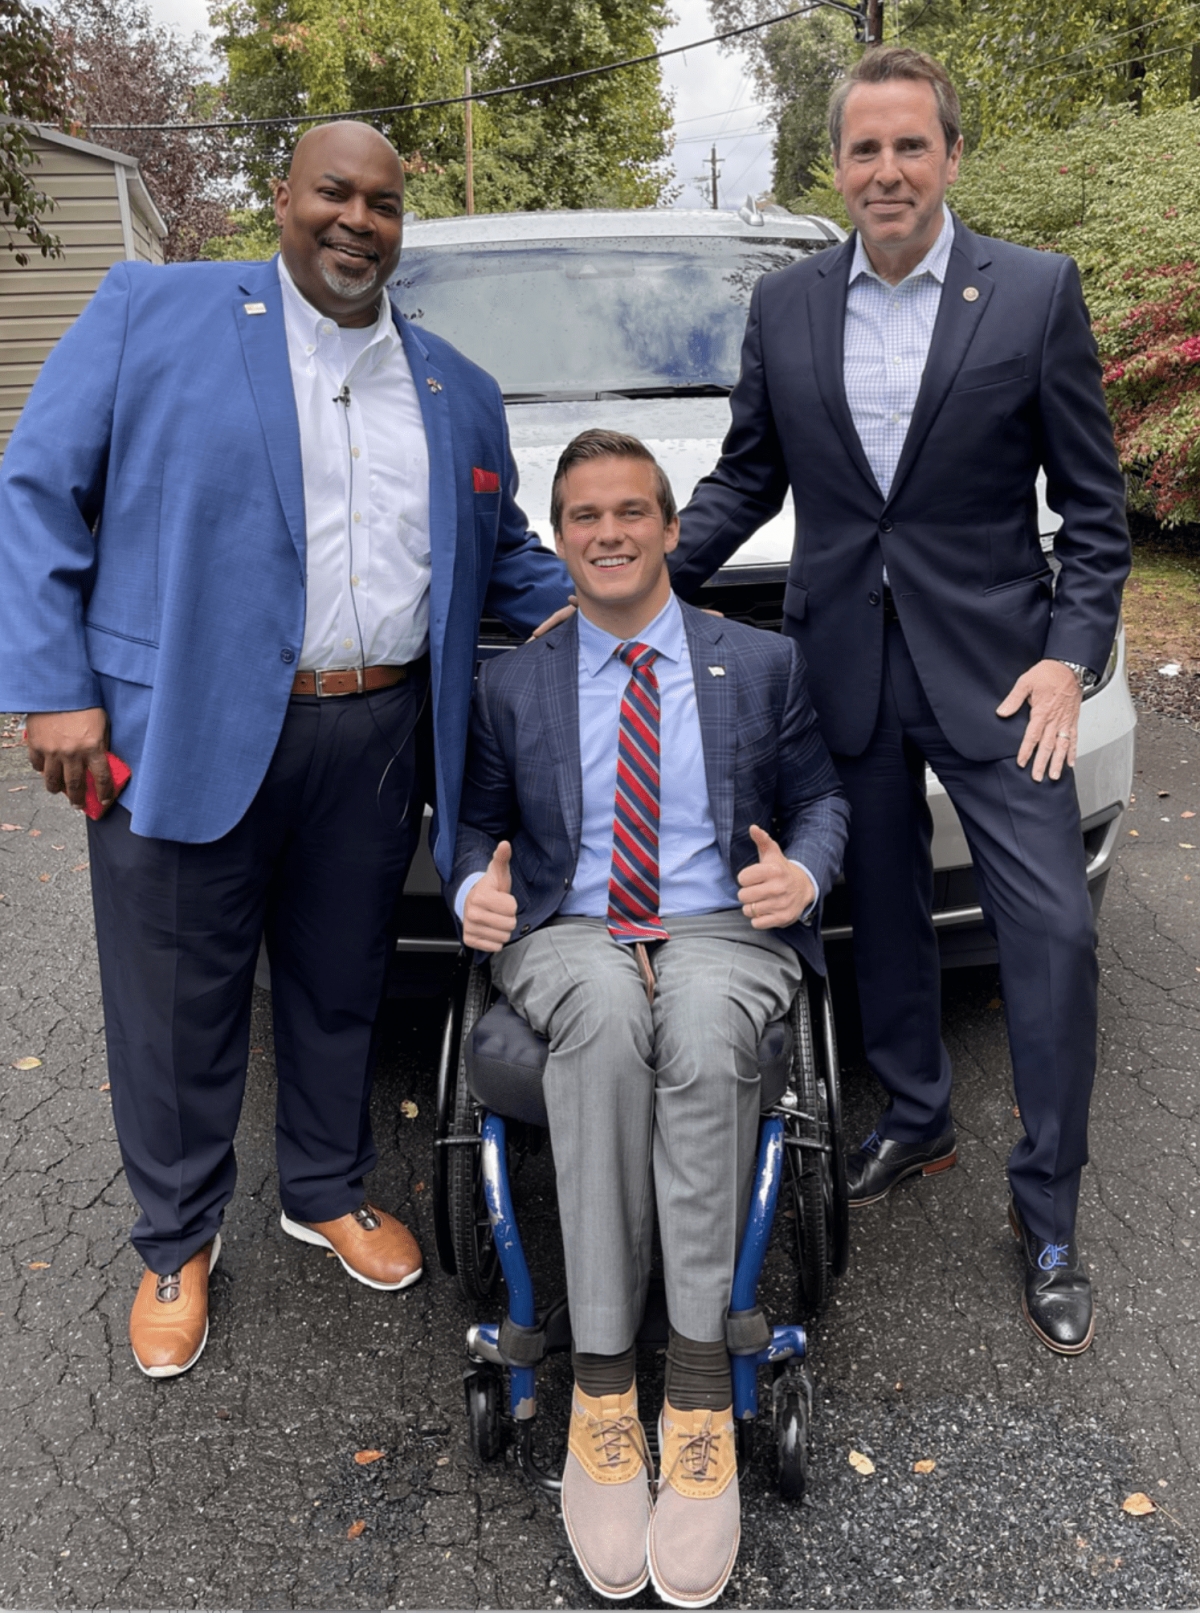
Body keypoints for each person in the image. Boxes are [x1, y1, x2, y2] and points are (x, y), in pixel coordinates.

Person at [0, 121, 569, 1379]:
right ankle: (175, 1237)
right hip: (176, 724)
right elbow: (38, 483)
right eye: (334, 192)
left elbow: (505, 553)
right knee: (174, 1000)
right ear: (284, 196)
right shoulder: (156, 311)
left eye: (382, 202)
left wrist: (620, 596)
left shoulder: (458, 389)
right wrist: (51, 687)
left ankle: (321, 1184)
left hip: (376, 731)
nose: (357, 219)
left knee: (336, 976)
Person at [669, 47, 1131, 1356]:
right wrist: (642, 579)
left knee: (1052, 937)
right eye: (863, 150)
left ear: (950, 156)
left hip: (1001, 681)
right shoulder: (788, 306)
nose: (886, 171)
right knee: (883, 915)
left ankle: (1047, 1212)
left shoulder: (1033, 294)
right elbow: (747, 477)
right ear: (837, 166)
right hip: (846, 670)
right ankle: (917, 1113)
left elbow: (1095, 517)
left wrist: (1068, 650)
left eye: (909, 147)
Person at [451, 429, 849, 1606]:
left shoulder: (758, 662)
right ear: (559, 536)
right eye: (583, 515)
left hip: (723, 923)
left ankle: (693, 1387)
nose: (609, 532)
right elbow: (477, 824)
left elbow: (823, 797)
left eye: (632, 511)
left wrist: (806, 876)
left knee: (709, 1027)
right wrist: (478, 879)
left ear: (673, 529)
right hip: (574, 931)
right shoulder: (512, 677)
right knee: (609, 1017)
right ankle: (606, 1388)